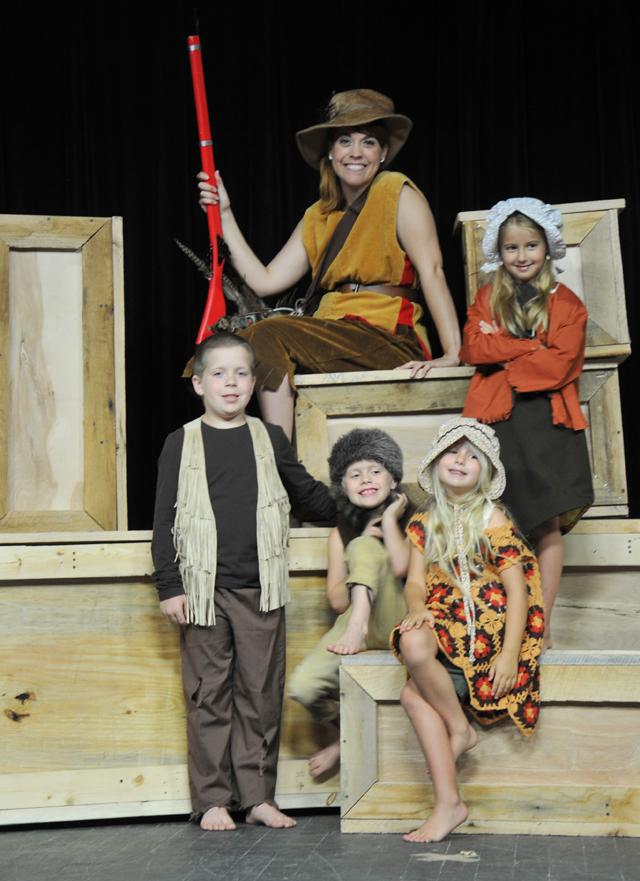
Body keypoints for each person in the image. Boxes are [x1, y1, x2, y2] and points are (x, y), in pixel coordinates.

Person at [198, 89, 461, 439]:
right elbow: (264, 280)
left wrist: (452, 354)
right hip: (334, 332)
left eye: (368, 142)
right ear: (330, 153)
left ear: (383, 153)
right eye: (345, 141)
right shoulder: (318, 215)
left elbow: (432, 271)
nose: (356, 152)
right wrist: (226, 215)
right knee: (234, 350)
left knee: (266, 335)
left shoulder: (396, 191)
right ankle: (262, 455)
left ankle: (279, 459)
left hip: (389, 336)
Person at [152, 332, 336, 831]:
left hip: (261, 591)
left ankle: (257, 796)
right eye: (218, 374)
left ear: (254, 383)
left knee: (260, 693)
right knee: (208, 694)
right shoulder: (181, 442)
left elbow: (309, 496)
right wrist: (169, 585)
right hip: (202, 592)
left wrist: (364, 504)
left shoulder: (269, 438)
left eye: (240, 374)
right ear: (198, 384)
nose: (229, 383)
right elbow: (164, 519)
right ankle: (212, 800)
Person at [392, 417, 544, 842]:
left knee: (411, 695)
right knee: (413, 641)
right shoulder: (424, 521)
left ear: (486, 473)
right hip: (443, 622)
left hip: (485, 632)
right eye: (453, 452)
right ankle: (458, 733)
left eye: (473, 457)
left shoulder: (492, 518)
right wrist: (418, 606)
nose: (460, 459)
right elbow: (416, 580)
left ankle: (448, 802)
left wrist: (510, 653)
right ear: (437, 462)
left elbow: (518, 592)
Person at [459, 197, 594, 648]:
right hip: (499, 425)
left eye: (531, 245)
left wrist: (508, 353)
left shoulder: (567, 302)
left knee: (545, 526)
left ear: (547, 247)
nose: (522, 256)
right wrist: (530, 347)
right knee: (498, 524)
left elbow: (560, 366)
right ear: (501, 251)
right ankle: (503, 622)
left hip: (546, 427)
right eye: (513, 247)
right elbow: (474, 350)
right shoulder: (486, 297)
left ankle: (544, 621)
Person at [288, 428, 412, 778]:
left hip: (398, 619)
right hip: (352, 621)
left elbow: (404, 567)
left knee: (365, 548)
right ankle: (345, 737)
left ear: (393, 480)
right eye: (354, 474)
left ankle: (359, 631)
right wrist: (359, 550)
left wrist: (388, 524)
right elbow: (338, 600)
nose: (366, 479)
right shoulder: (340, 533)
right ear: (342, 486)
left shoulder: (413, 518)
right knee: (303, 687)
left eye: (375, 470)